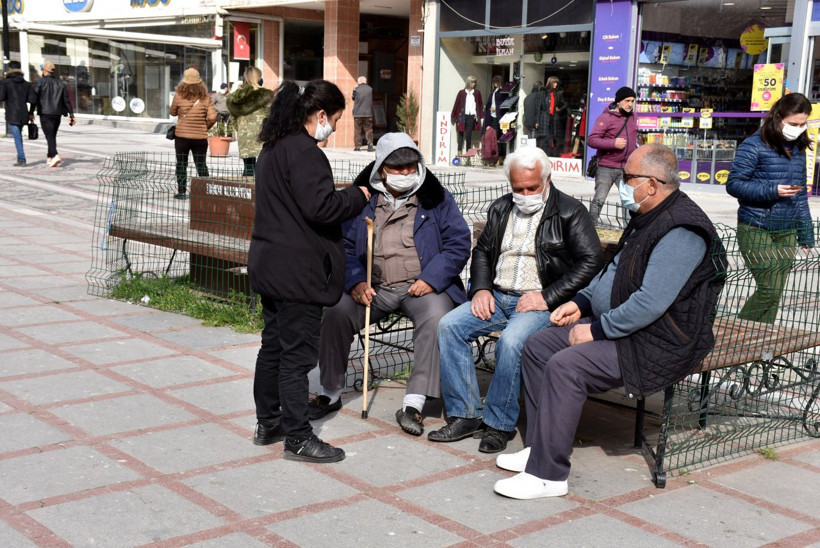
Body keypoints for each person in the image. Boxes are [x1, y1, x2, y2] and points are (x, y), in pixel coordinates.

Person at [493, 144, 725, 499]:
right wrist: (581, 302)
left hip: (657, 340)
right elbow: (611, 272)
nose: (620, 183)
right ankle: (541, 447)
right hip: (622, 327)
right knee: (538, 346)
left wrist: (597, 329)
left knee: (566, 366)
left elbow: (650, 302)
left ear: (651, 184)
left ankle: (548, 475)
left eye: (627, 177)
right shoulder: (647, 216)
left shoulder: (682, 230)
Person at [429, 146, 603, 453]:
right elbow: (482, 251)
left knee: (511, 342)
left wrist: (547, 296)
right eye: (517, 188)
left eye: (532, 187)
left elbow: (590, 262)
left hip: (540, 301)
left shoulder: (570, 211)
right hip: (498, 294)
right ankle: (465, 413)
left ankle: (498, 423)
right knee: (449, 325)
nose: (524, 194)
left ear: (547, 179)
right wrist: (480, 288)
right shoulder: (501, 208)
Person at [311, 132, 472, 436]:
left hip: (420, 286)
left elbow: (458, 242)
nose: (405, 174)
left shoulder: (435, 198)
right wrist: (356, 281)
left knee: (437, 316)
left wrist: (432, 278)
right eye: (397, 169)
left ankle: (414, 402)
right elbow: (343, 245)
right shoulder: (362, 199)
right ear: (381, 168)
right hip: (376, 287)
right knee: (336, 311)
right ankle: (330, 391)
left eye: (410, 167)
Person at [249, 79, 370, 463]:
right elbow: (322, 208)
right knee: (296, 358)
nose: (332, 128)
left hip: (271, 265)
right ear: (319, 115)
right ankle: (298, 437)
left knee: (273, 347)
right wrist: (358, 195)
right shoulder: (304, 152)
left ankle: (269, 422)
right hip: (297, 272)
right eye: (333, 119)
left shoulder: (273, 148)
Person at [726, 93, 815, 324]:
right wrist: (772, 190)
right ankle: (736, 335)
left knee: (776, 294)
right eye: (793, 123)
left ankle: (761, 341)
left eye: (802, 124)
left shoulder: (798, 149)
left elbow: (801, 196)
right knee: (769, 288)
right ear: (778, 118)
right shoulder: (754, 145)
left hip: (787, 231)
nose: (798, 128)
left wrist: (806, 233)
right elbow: (734, 185)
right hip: (756, 227)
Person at [587, 86, 639, 223]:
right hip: (606, 167)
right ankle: (589, 227)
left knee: (628, 201)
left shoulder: (633, 117)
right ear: (618, 102)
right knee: (599, 199)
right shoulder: (605, 117)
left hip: (626, 168)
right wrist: (613, 143)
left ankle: (627, 230)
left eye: (633, 101)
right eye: (627, 100)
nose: (630, 104)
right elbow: (591, 140)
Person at [168, 68, 217, 199]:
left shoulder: (178, 95)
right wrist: (204, 127)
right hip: (200, 138)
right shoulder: (206, 98)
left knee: (181, 164)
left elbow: (172, 112)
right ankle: (206, 192)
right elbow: (213, 117)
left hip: (182, 137)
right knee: (201, 164)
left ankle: (182, 192)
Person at [227, 66, 273, 177]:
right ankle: (259, 192)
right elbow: (270, 114)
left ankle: (248, 190)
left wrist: (239, 127)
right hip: (261, 134)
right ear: (258, 78)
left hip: (244, 133)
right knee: (262, 167)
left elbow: (233, 116)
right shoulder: (264, 94)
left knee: (248, 167)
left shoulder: (237, 94)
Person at [27, 61, 75, 167]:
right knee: (52, 135)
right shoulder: (60, 83)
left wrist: (31, 113)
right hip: (57, 113)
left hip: (45, 113)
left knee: (49, 136)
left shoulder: (39, 82)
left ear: (44, 71)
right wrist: (71, 115)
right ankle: (49, 156)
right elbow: (66, 100)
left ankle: (55, 155)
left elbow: (34, 99)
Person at [0, 61, 31, 167]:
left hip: (12, 112)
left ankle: (22, 159)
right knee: (18, 136)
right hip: (23, 113)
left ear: (10, 69)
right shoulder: (26, 83)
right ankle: (19, 158)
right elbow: (31, 99)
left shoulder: (5, 82)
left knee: (17, 136)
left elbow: (2, 97)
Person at [451, 75, 483, 155]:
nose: (474, 84)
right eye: (472, 82)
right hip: (462, 115)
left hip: (471, 116)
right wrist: (453, 115)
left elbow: (479, 105)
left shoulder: (477, 93)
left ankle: (468, 153)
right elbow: (456, 104)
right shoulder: (461, 93)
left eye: (475, 82)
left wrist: (480, 116)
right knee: (460, 133)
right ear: (468, 82)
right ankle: (459, 153)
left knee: (469, 135)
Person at [534, 77, 563, 157]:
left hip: (553, 118)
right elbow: (538, 107)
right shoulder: (543, 93)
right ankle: (542, 155)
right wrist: (537, 121)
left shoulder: (556, 93)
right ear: (550, 83)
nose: (556, 84)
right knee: (543, 138)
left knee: (552, 137)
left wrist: (559, 109)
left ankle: (550, 155)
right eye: (554, 83)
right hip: (544, 117)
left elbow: (561, 103)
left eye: (556, 83)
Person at [352, 76, 374, 152]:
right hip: (368, 113)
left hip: (358, 113)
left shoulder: (356, 89)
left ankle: (357, 147)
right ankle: (370, 144)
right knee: (368, 130)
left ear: (358, 82)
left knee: (357, 130)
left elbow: (353, 98)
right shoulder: (370, 89)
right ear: (365, 81)